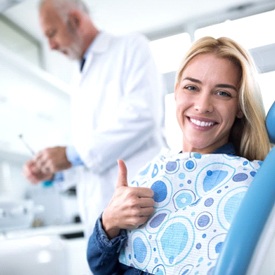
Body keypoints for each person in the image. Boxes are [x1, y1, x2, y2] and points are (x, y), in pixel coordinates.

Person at [86, 36, 271, 274]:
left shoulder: (251, 186)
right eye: (192, 87)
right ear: (176, 92)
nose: (203, 105)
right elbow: (102, 268)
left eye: (223, 93)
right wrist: (109, 222)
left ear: (239, 107)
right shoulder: (153, 173)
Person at [23, 0, 166, 237]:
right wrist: (54, 169)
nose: (50, 46)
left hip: (139, 209)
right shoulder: (78, 78)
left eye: (52, 33)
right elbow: (90, 153)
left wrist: (68, 155)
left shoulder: (130, 47)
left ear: (76, 21)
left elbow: (143, 116)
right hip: (101, 220)